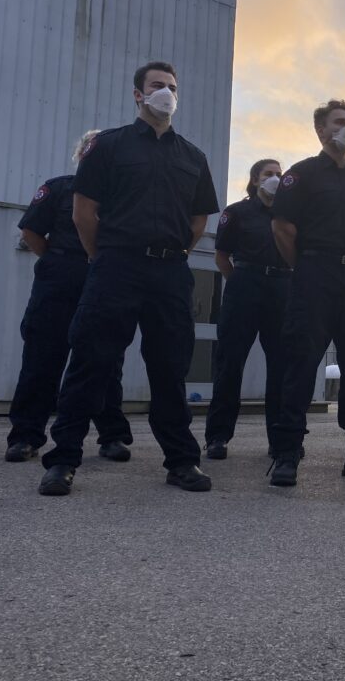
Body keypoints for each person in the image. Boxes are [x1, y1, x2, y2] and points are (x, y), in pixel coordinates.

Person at [37, 61, 219, 496]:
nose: (166, 93)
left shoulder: (193, 157)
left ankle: (181, 462)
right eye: (157, 86)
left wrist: (173, 257)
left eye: (172, 87)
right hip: (116, 267)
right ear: (138, 94)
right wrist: (104, 258)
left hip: (169, 273)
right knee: (89, 362)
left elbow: (197, 220)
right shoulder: (109, 147)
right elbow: (84, 213)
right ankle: (62, 460)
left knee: (170, 367)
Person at [268, 99, 345, 487]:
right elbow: (283, 229)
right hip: (314, 275)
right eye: (340, 122)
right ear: (321, 131)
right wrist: (305, 268)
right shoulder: (301, 175)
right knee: (301, 365)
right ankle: (287, 454)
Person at [5, 131, 132, 464]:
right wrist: (57, 261)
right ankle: (25, 436)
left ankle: (112, 436)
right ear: (83, 154)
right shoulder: (59, 187)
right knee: (42, 357)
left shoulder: (123, 196)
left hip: (104, 277)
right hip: (60, 278)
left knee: (106, 362)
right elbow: (31, 231)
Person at [203, 159, 291, 460]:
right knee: (230, 364)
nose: (276, 179)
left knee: (281, 367)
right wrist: (241, 283)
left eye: (280, 174)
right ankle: (217, 437)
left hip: (280, 288)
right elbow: (221, 257)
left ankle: (280, 441)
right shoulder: (237, 212)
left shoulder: (289, 215)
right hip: (245, 285)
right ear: (255, 180)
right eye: (269, 174)